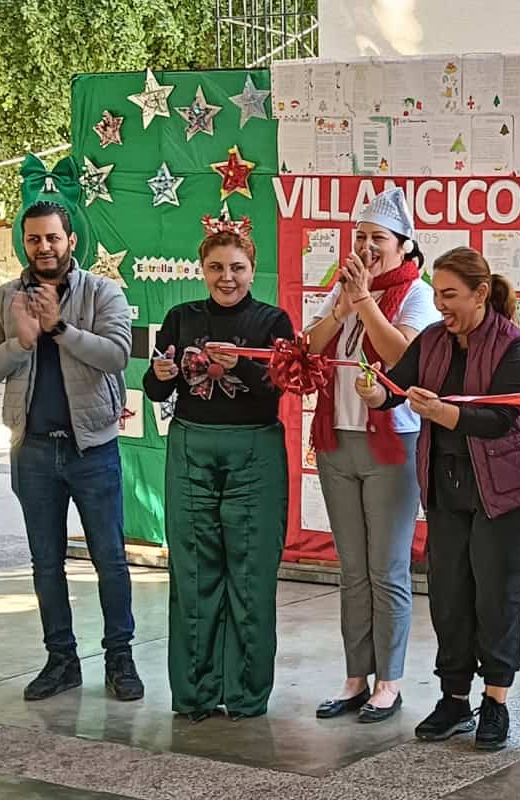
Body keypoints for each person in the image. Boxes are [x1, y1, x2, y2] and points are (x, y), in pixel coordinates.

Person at [355, 247, 520, 750]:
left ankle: (496, 702)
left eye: (451, 295)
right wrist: (379, 395)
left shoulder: (515, 347)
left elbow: (501, 419)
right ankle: (454, 699)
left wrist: (442, 415)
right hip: (446, 487)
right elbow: (400, 385)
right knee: (450, 596)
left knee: (496, 596)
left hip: (502, 492)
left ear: (481, 294)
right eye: (437, 294)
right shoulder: (435, 339)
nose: (441, 305)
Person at [0, 169, 142, 704]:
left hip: (92, 449)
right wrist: (22, 342)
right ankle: (61, 660)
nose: (44, 247)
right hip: (34, 451)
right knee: (45, 561)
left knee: (109, 558)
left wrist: (62, 330)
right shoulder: (4, 299)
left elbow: (117, 355)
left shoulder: (103, 292)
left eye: (53, 237)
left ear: (71, 241)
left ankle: (121, 659)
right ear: (25, 244)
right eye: (34, 238)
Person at [142, 215, 293, 722]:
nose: (226, 277)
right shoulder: (181, 317)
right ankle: (194, 693)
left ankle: (247, 694)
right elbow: (158, 389)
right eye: (215, 267)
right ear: (202, 269)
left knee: (250, 575)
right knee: (193, 572)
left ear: (253, 269)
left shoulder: (273, 322)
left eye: (237, 267)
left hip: (255, 451)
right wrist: (159, 373)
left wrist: (241, 367)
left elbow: (279, 388)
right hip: (191, 448)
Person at [307, 187, 441, 723]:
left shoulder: (418, 295)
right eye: (359, 237)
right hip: (337, 439)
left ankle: (390, 681)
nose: (365, 247)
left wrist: (363, 302)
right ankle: (354, 677)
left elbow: (402, 358)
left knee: (387, 568)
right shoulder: (342, 289)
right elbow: (311, 348)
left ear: (405, 247)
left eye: (377, 239)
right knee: (352, 568)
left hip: (393, 442)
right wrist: (340, 307)